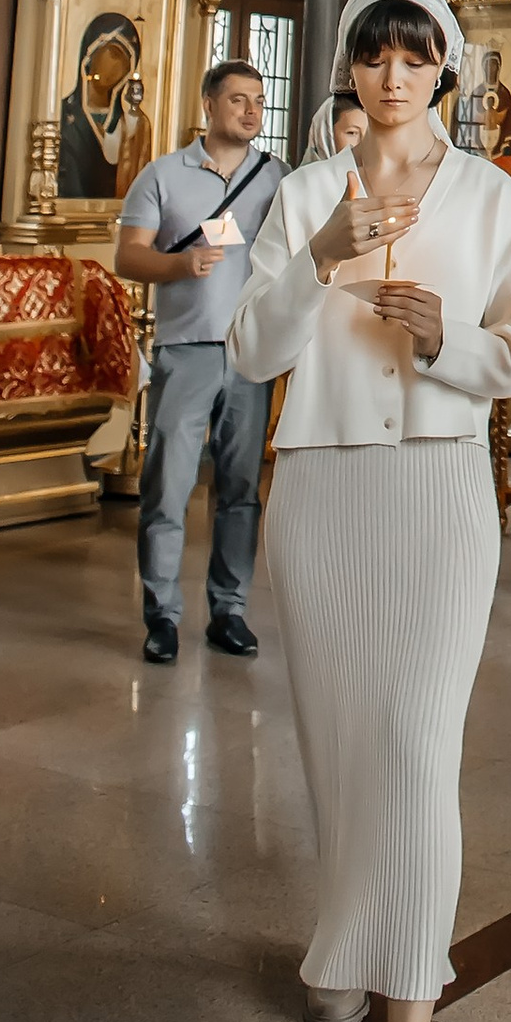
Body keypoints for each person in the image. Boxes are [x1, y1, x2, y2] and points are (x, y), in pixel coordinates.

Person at [227, 0, 511, 1022]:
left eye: (416, 58)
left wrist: (442, 338)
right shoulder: (307, 194)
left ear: (446, 72)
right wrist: (317, 261)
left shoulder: (488, 193)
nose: (394, 77)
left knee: (415, 745)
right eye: (374, 57)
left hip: (440, 488)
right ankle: (341, 946)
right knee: (339, 741)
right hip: (319, 486)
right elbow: (253, 348)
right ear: (351, 72)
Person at [115, 61, 285, 668]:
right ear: (209, 104)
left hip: (250, 351)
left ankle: (229, 609)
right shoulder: (162, 176)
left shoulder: (278, 179)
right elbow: (129, 257)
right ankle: (161, 614)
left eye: (259, 102)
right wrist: (178, 266)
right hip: (186, 350)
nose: (251, 111)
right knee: (168, 484)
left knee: (241, 488)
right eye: (238, 100)